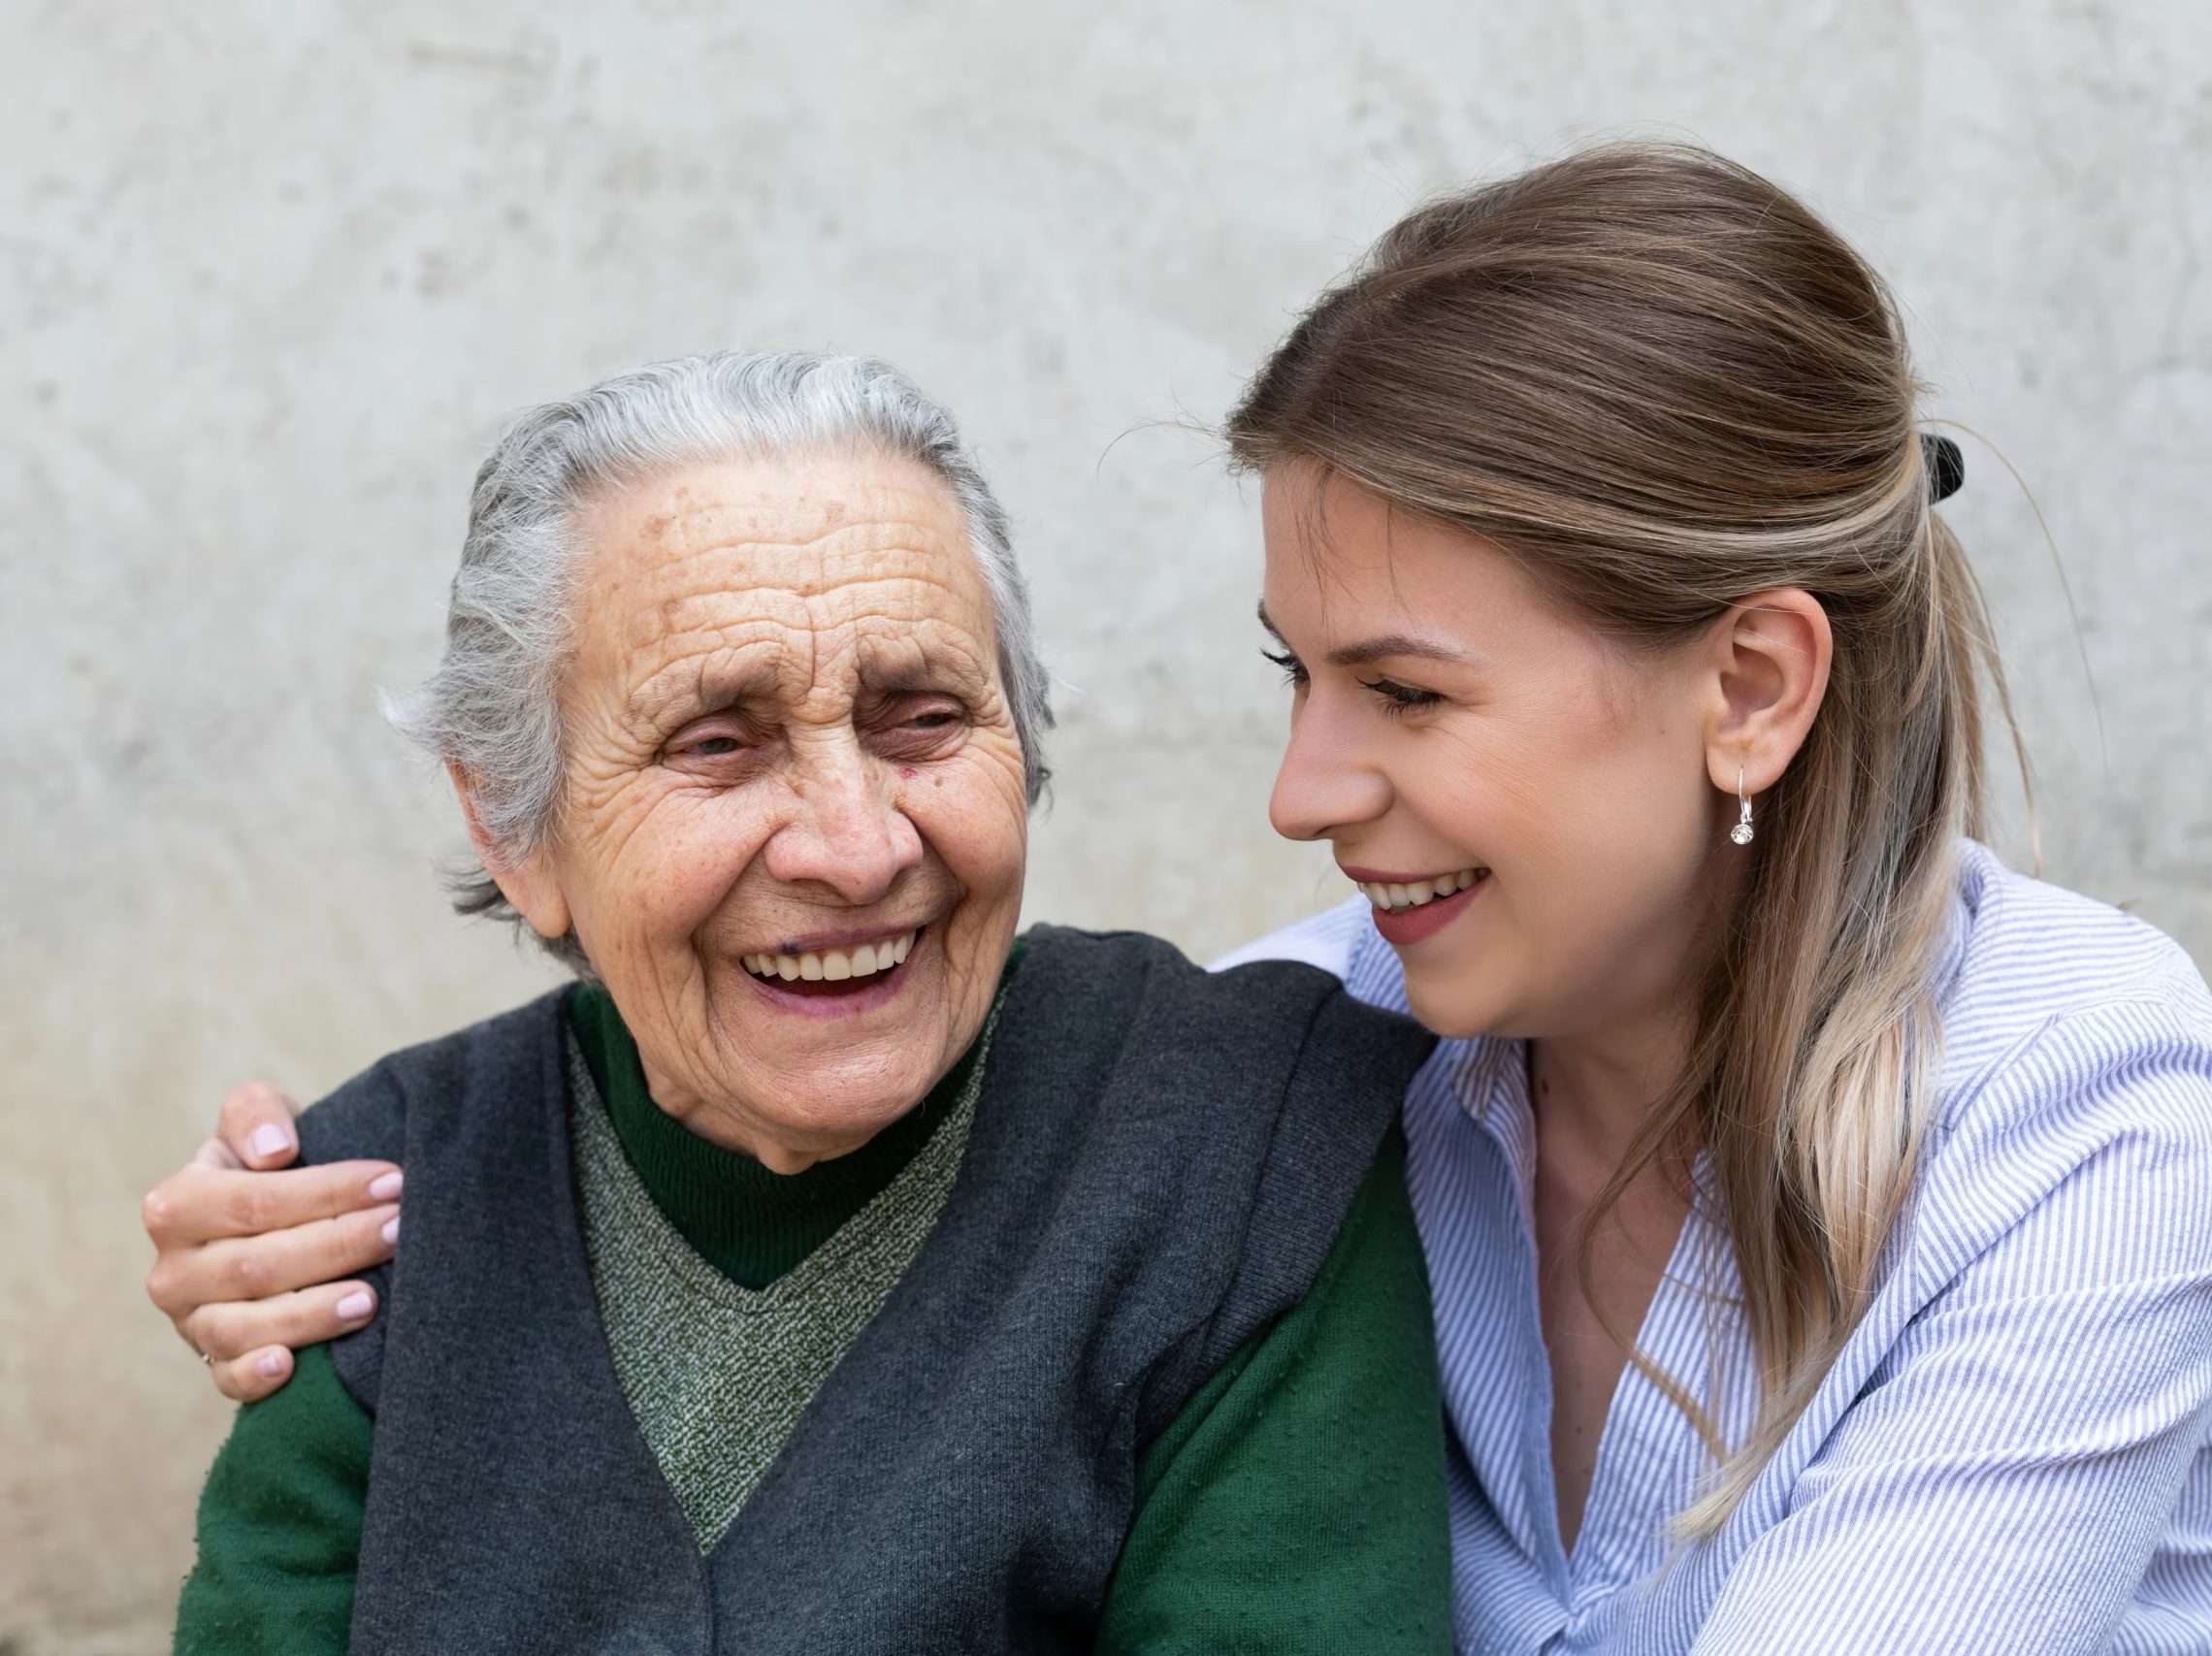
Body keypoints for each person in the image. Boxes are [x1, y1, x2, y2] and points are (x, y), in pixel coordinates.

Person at [145, 146, 2212, 1654]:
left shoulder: (2083, 1122)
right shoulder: (1308, 1073)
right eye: (1293, 674)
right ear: (510, 823)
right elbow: (950, 1068)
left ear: (1747, 683)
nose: (1300, 786)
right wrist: (307, 1235)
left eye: (1404, 692)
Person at [154, 351, 1454, 1654]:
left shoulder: (1240, 1145)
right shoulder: (372, 1213)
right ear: (515, 829)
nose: (856, 845)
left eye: (921, 720)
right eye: (716, 743)